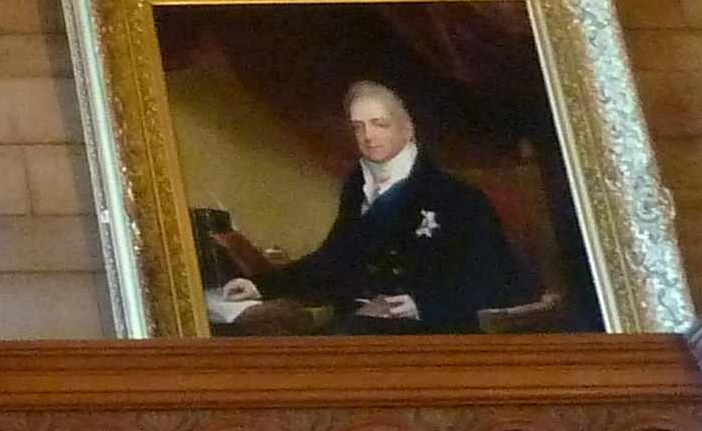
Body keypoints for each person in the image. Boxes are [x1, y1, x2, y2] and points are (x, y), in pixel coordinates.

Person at [205, 80, 529, 334]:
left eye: (379, 124)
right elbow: (334, 258)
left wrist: (424, 304)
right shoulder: (358, 187)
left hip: (433, 334)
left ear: (407, 127)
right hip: (361, 322)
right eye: (358, 126)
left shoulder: (456, 197)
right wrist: (261, 286)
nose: (368, 136)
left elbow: (501, 280)